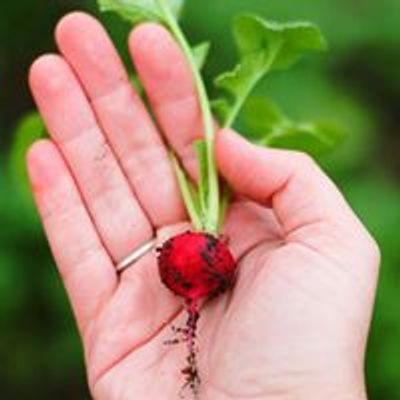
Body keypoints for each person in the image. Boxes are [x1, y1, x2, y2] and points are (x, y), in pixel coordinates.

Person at [26, 12, 380, 400]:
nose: (193, 308)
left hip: (200, 257)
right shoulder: (194, 263)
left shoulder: (199, 262)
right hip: (198, 257)